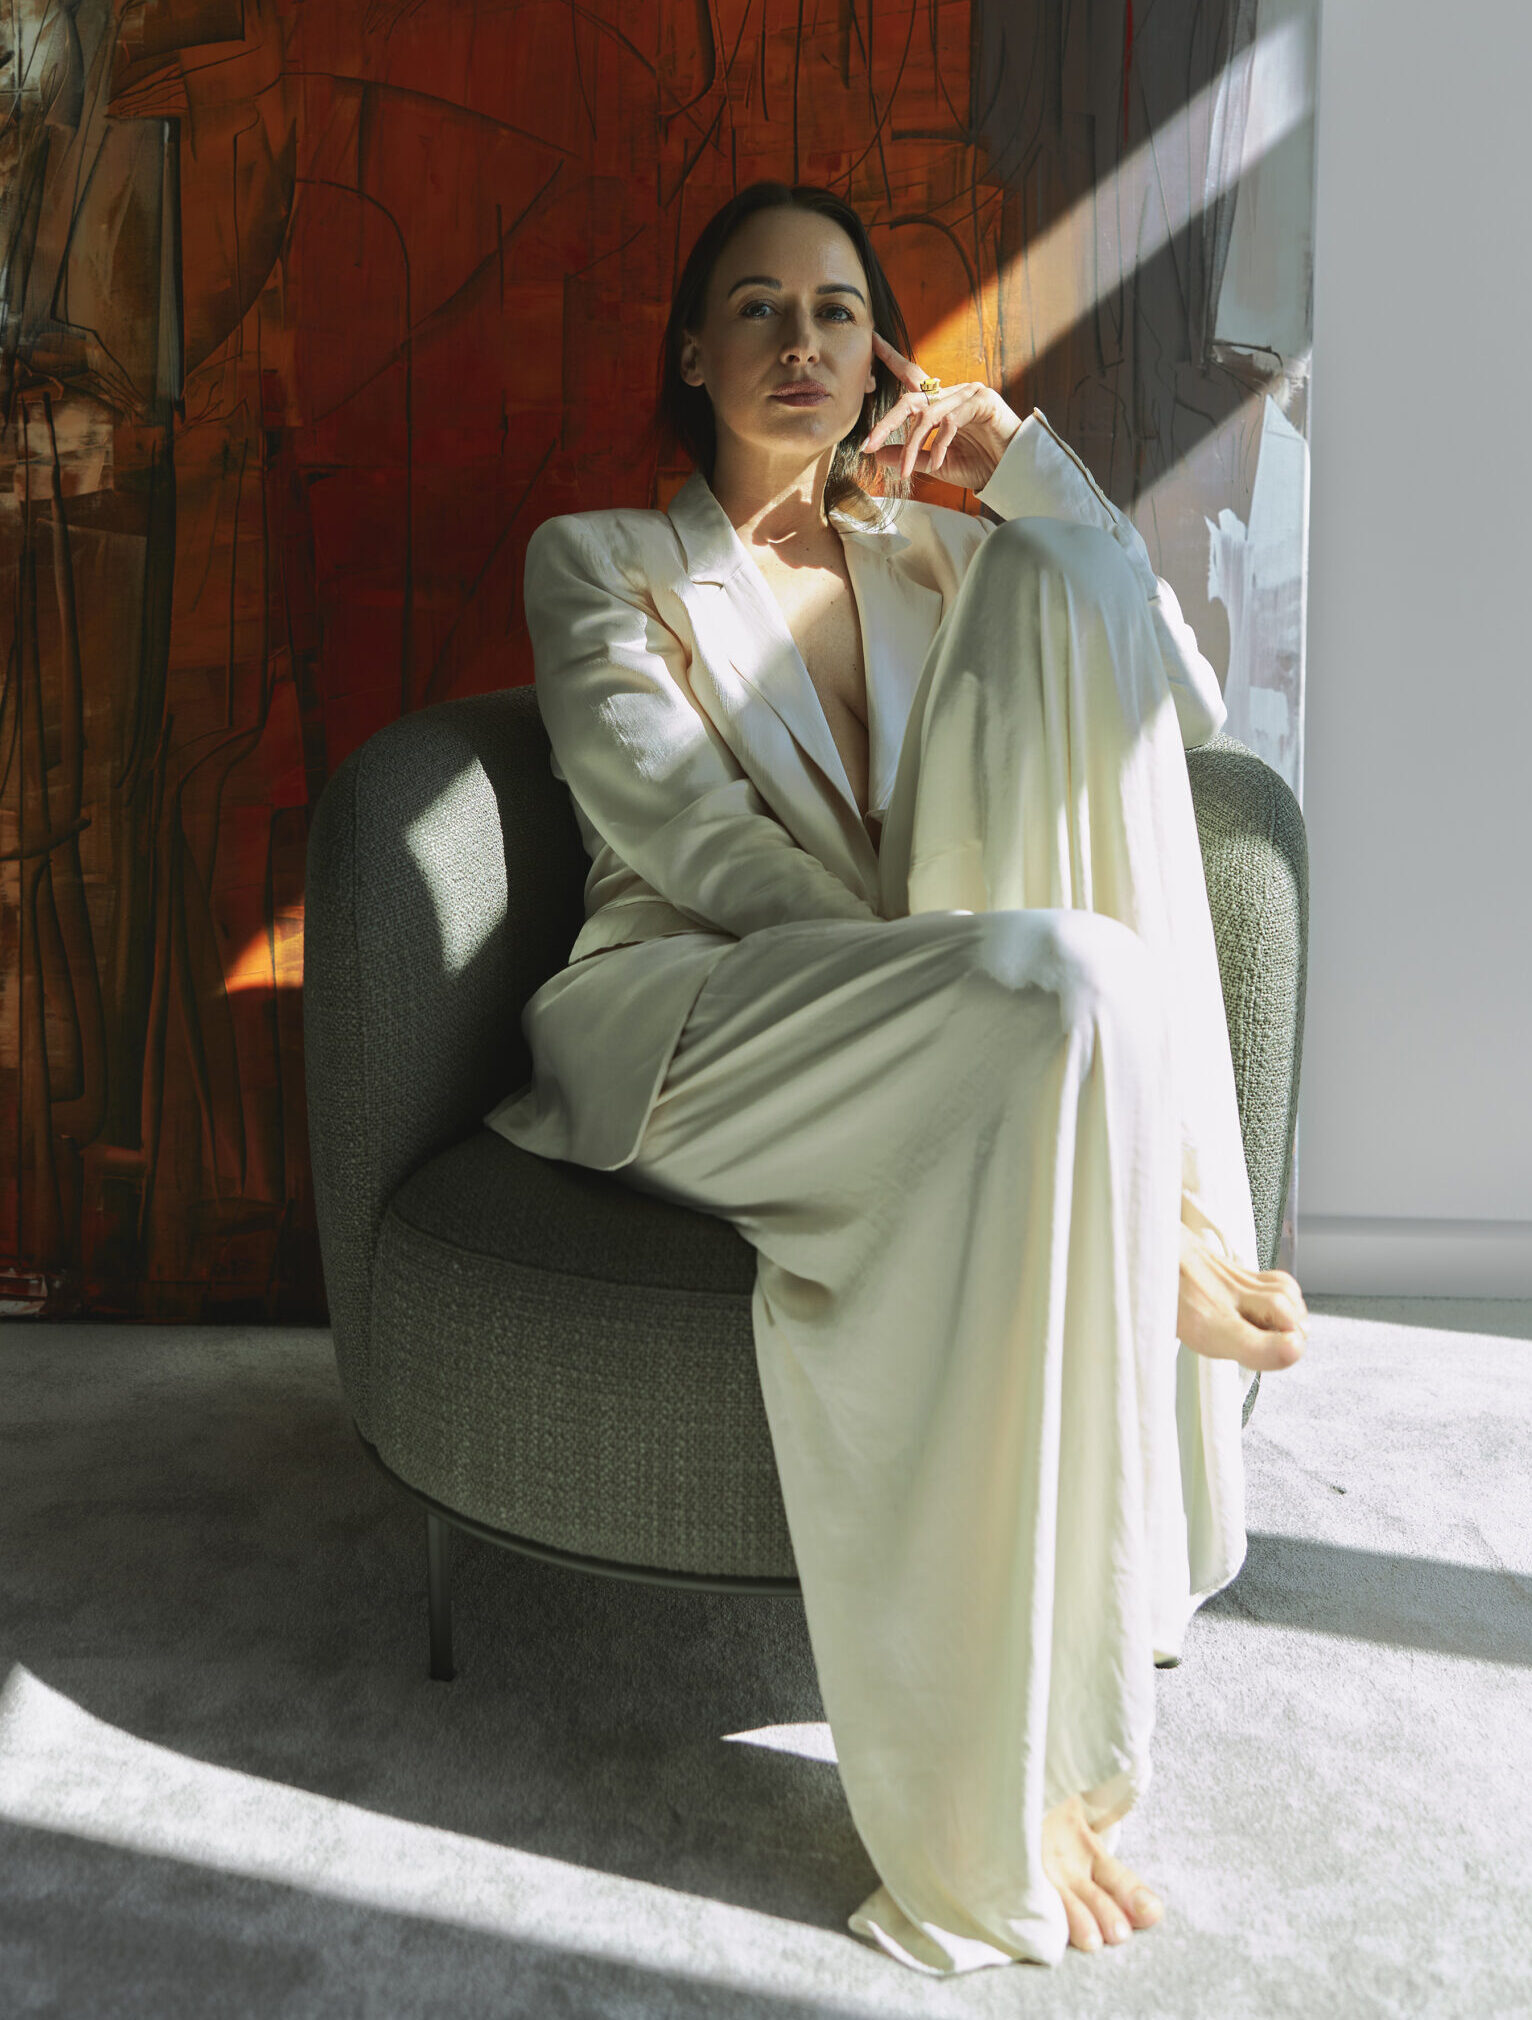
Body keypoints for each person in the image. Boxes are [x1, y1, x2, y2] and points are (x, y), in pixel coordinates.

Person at [484, 180, 1309, 1974]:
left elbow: (1173, 711)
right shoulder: (599, 558)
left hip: (985, 1006)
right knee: (1057, 979)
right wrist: (950, 976)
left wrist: (1027, 473)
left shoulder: (937, 561)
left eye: (839, 311)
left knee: (1064, 599)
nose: (802, 342)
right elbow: (689, 837)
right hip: (708, 1011)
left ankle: (1100, 1142)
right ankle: (1144, 1213)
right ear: (692, 353)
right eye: (758, 309)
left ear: (881, 359)